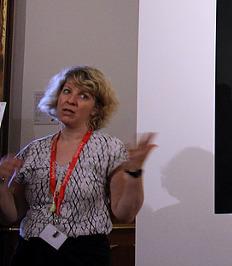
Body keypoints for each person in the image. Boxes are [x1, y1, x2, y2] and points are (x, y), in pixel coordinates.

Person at [0, 65, 156, 265]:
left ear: (96, 109)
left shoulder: (109, 148)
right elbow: (11, 215)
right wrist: (1, 183)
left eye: (83, 96)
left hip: (84, 254)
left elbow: (124, 214)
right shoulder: (33, 150)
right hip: (32, 252)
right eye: (67, 91)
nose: (71, 100)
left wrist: (135, 172)